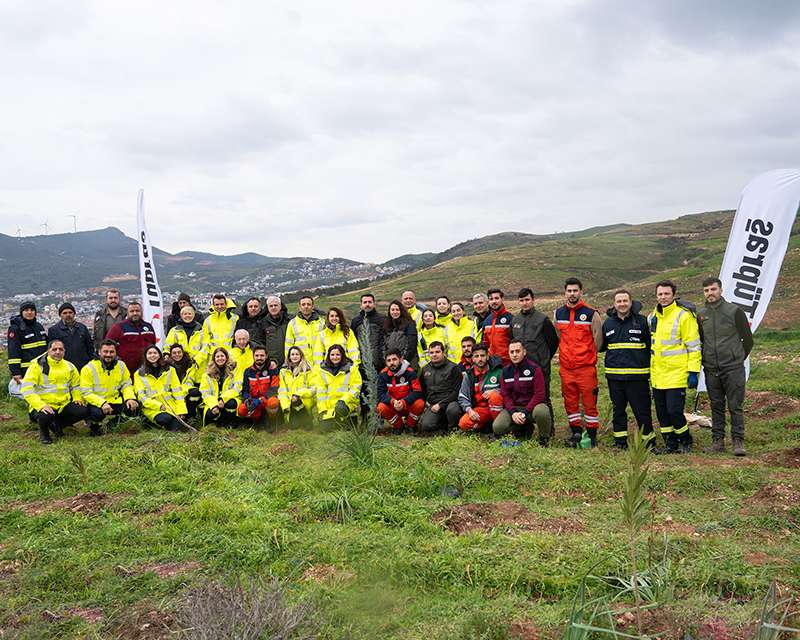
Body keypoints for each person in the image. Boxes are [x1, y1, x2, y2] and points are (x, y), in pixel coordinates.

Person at [698, 277, 754, 456]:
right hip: (711, 368)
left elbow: (748, 340)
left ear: (720, 290)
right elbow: (700, 340)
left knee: (735, 405)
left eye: (713, 289)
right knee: (716, 405)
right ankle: (718, 442)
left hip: (733, 368)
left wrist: (736, 358)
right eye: (706, 290)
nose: (710, 293)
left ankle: (738, 442)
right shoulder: (701, 314)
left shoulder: (735, 311)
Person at [649, 280, 701, 454]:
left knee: (674, 412)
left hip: (676, 374)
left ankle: (685, 440)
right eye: (660, 294)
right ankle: (670, 444)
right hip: (657, 375)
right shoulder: (653, 317)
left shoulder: (683, 315)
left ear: (673, 294)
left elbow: (693, 346)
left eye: (666, 294)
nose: (663, 297)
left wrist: (693, 371)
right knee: (662, 414)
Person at [600, 290, 654, 450]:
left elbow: (651, 346)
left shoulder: (643, 322)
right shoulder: (608, 323)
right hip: (615, 378)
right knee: (618, 412)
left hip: (637, 378)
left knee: (642, 412)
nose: (622, 304)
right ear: (614, 304)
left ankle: (649, 444)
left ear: (631, 302)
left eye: (625, 301)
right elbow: (602, 347)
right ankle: (620, 443)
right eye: (619, 301)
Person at [554, 278, 603, 447]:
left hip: (586, 368)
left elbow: (598, 340)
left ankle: (591, 435)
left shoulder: (591, 313)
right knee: (570, 401)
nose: (572, 294)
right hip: (566, 368)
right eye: (569, 291)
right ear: (565, 292)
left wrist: (587, 356)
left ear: (581, 292)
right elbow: (559, 337)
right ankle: (575, 432)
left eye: (575, 290)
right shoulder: (558, 313)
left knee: (590, 402)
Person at [21, 339, 88, 444]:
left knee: (83, 410)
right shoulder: (37, 366)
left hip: (62, 405)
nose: (57, 352)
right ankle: (44, 434)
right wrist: (41, 405)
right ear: (48, 351)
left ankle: (57, 426)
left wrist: (77, 398)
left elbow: (75, 386)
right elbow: (26, 389)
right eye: (54, 349)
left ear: (64, 352)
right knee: (45, 415)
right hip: (42, 406)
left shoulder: (69, 366)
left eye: (60, 349)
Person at [512, 288, 560, 429]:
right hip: (521, 369)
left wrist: (543, 359)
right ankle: (525, 429)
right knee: (523, 399)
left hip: (540, 367)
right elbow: (512, 342)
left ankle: (549, 431)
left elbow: (553, 342)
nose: (524, 303)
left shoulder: (543, 320)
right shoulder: (515, 320)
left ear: (533, 300)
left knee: (543, 399)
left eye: (527, 300)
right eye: (521, 300)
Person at [493, 340, 552, 444]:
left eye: (517, 351)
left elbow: (539, 394)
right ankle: (523, 430)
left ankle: (544, 438)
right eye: (512, 352)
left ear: (524, 352)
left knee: (542, 412)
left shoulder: (535, 369)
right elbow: (505, 395)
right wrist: (513, 412)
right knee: (498, 427)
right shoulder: (505, 371)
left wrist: (525, 412)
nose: (514, 355)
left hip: (532, 408)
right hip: (515, 408)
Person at [81, 339, 139, 435]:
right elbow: (86, 392)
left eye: (111, 352)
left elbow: (126, 384)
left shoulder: (121, 365)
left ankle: (111, 424)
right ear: (99, 352)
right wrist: (102, 403)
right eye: (105, 351)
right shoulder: (88, 368)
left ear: (116, 353)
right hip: (96, 403)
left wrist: (130, 398)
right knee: (97, 414)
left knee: (135, 408)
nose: (108, 354)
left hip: (115, 400)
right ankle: (93, 425)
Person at [451, 342, 503, 433]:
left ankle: (498, 427)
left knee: (494, 396)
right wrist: (470, 410)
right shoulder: (469, 375)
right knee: (463, 424)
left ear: (487, 356)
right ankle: (487, 426)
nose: (480, 359)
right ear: (473, 359)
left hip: (498, 409)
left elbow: (508, 391)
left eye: (482, 355)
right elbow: (462, 396)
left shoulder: (498, 371)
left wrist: (495, 391)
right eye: (476, 356)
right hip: (481, 409)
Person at [134, 345, 188, 432]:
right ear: (145, 356)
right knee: (165, 419)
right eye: (149, 353)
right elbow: (141, 397)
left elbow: (178, 392)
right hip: (152, 408)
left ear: (159, 355)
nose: (152, 355)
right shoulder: (139, 374)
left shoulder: (170, 370)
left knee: (178, 425)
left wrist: (181, 410)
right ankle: (148, 421)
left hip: (171, 406)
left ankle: (171, 424)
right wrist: (159, 406)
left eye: (155, 353)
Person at [376, 349, 425, 432]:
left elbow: (417, 391)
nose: (391, 363)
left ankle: (410, 425)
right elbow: (381, 394)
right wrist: (392, 402)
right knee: (381, 407)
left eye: (394, 359)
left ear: (401, 359)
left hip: (407, 404)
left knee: (420, 403)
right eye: (389, 360)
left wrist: (403, 402)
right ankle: (398, 426)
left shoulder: (410, 372)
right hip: (394, 405)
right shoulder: (383, 374)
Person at [418, 341, 462, 433]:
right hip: (433, 405)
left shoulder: (453, 368)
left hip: (450, 403)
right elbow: (422, 390)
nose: (434, 355)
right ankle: (443, 425)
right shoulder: (425, 369)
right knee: (425, 426)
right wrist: (425, 403)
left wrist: (441, 405)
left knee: (453, 410)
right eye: (431, 352)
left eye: (437, 352)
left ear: (443, 353)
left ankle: (452, 430)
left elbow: (457, 391)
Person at [313, 344, 361, 427]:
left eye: (338, 354)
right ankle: (334, 421)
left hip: (347, 405)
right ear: (328, 356)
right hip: (330, 408)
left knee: (345, 424)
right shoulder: (322, 370)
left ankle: (348, 419)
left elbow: (356, 388)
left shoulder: (352, 369)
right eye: (332, 355)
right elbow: (321, 392)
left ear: (342, 355)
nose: (335, 357)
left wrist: (343, 400)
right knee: (324, 429)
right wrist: (322, 409)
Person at [106, 301, 157, 376]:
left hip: (147, 368)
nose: (135, 313)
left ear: (141, 312)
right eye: (132, 311)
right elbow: (107, 344)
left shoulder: (148, 326)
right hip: (127, 370)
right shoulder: (118, 327)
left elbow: (153, 344)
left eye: (137, 311)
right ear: (127, 313)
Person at [238, 345, 281, 424]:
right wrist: (248, 400)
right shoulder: (248, 371)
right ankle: (257, 420)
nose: (259, 358)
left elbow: (274, 388)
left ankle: (272, 421)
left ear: (266, 356)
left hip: (267, 399)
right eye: (257, 355)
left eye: (262, 355)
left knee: (273, 402)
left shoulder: (272, 369)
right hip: (254, 401)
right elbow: (245, 390)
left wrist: (261, 400)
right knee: (242, 409)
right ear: (253, 356)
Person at [7, 301, 47, 383]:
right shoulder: (15, 328)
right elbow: (13, 351)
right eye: (26, 310)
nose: (29, 312)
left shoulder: (39, 326)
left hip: (42, 369)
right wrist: (16, 372)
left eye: (32, 310)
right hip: (26, 370)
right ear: (21, 312)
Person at [199, 347, 241, 426]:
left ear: (226, 357)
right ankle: (217, 421)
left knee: (231, 404)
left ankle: (231, 421)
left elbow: (237, 388)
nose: (220, 358)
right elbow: (205, 393)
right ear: (214, 359)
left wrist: (222, 399)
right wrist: (214, 405)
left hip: (227, 400)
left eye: (222, 356)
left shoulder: (234, 370)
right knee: (211, 414)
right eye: (217, 357)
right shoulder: (207, 375)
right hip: (213, 401)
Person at [48, 302, 95, 371]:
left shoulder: (82, 328)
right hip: (64, 367)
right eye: (65, 313)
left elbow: (90, 347)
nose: (68, 315)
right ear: (60, 315)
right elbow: (51, 351)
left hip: (83, 366)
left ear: (74, 314)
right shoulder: (53, 330)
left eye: (70, 312)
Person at [278, 346, 315, 426]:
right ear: (289, 357)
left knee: (306, 427)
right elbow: (282, 391)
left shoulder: (308, 370)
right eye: (292, 354)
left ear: (301, 356)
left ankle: (307, 419)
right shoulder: (283, 372)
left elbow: (313, 389)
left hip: (305, 402)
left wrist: (298, 394)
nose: (295, 356)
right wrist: (285, 406)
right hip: (290, 404)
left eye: (297, 354)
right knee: (293, 427)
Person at [351, 293, 385, 374]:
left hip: (380, 364)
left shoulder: (382, 319)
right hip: (362, 364)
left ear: (374, 304)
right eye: (365, 302)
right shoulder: (355, 321)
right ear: (361, 305)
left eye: (370, 302)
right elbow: (353, 342)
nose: (367, 304)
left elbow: (386, 341)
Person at [167, 343, 202, 418]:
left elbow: (190, 380)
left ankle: (191, 415)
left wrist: (182, 391)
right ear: (170, 355)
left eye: (179, 352)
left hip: (186, 388)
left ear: (183, 353)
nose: (177, 354)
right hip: (172, 391)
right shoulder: (167, 367)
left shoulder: (190, 364)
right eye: (174, 353)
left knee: (195, 393)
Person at [284, 295, 324, 362]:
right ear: (299, 307)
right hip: (300, 363)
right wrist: (289, 361)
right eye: (303, 304)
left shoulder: (322, 323)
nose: (306, 306)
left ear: (313, 306)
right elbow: (288, 345)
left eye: (308, 304)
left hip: (319, 362)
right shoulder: (292, 323)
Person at [481, 289, 513, 365]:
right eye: (491, 299)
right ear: (488, 301)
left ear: (502, 299)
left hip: (507, 362)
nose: (494, 301)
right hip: (492, 363)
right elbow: (485, 343)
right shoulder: (487, 321)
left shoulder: (510, 318)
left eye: (496, 298)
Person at [383, 300, 418, 366]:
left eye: (397, 310)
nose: (395, 312)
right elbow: (384, 346)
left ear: (401, 311)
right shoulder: (387, 326)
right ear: (389, 312)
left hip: (407, 363)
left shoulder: (409, 324)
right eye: (392, 310)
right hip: (392, 364)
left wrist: (404, 360)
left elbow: (411, 344)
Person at [263, 296, 292, 368]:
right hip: (272, 363)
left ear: (280, 306)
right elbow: (261, 343)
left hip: (290, 360)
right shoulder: (262, 323)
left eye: (275, 305)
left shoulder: (289, 320)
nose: (273, 307)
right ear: (268, 308)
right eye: (271, 306)